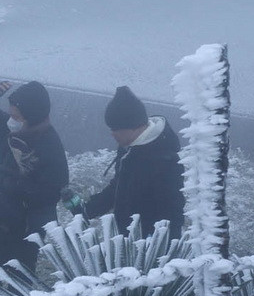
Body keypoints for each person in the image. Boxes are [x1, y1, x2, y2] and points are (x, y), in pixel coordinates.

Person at [0, 79, 68, 278]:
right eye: (11, 114)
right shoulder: (9, 132)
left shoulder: (49, 144)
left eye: (16, 116)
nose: (11, 120)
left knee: (20, 276)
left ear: (31, 116)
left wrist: (15, 185)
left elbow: (53, 189)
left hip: (26, 224)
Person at [66, 86, 185, 238]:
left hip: (150, 249)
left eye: (116, 128)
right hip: (126, 241)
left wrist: (162, 252)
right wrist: (86, 211)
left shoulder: (165, 160)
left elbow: (173, 213)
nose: (112, 133)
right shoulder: (129, 150)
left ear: (132, 126)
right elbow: (117, 187)